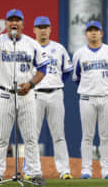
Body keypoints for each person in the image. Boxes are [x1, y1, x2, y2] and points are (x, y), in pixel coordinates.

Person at [0, 0, 49, 186]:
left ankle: (35, 173)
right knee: (1, 138)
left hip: (27, 95)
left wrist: (31, 84)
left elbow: (43, 68)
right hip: (5, 94)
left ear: (22, 24)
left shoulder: (32, 44)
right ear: (6, 24)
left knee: (31, 138)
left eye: (17, 20)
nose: (14, 23)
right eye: (10, 20)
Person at [23, 16, 73, 180]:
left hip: (55, 93)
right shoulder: (29, 48)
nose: (43, 30)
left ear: (50, 29)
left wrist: (56, 83)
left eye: (46, 27)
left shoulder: (59, 48)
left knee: (59, 135)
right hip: (35, 94)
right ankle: (30, 171)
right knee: (32, 135)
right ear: (34, 30)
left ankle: (64, 170)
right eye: (40, 27)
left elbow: (67, 71)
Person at [72, 20, 108, 179]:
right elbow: (76, 78)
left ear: (101, 33)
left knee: (105, 136)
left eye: (96, 30)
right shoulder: (79, 54)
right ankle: (86, 170)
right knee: (87, 135)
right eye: (90, 30)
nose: (93, 32)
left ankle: (106, 170)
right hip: (87, 98)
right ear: (86, 34)